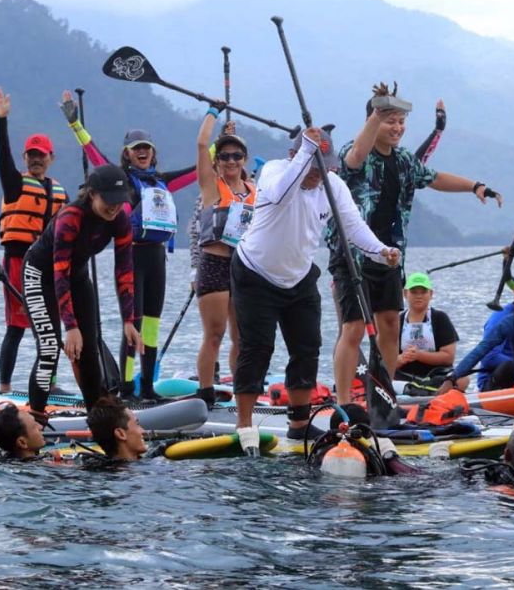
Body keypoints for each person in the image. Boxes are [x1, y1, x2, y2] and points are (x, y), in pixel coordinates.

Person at [331, 83, 502, 404]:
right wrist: (377, 113)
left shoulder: (405, 160)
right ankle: (344, 402)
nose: (397, 127)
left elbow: (435, 178)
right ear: (372, 120)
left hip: (390, 257)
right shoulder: (355, 154)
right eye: (389, 121)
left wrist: (475, 186)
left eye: (401, 121)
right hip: (353, 256)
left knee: (390, 325)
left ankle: (381, 395)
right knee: (353, 328)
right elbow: (356, 156)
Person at [231, 127, 400, 447]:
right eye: (312, 168)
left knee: (307, 348)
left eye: (323, 168)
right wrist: (307, 151)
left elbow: (354, 227)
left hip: (300, 276)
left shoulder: (332, 184)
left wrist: (381, 251)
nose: (317, 175)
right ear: (294, 156)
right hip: (255, 273)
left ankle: (299, 424)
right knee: (257, 348)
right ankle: (244, 425)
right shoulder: (274, 172)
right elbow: (281, 194)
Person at [59, 91, 196, 401]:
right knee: (132, 324)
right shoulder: (120, 179)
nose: (142, 152)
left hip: (157, 258)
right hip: (131, 256)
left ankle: (147, 386)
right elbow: (94, 154)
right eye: (136, 149)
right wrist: (75, 124)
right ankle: (127, 387)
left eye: (146, 147)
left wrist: (218, 143)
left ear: (153, 152)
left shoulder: (162, 181)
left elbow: (198, 169)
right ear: (127, 154)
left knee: (152, 325)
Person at [22, 163, 143, 418]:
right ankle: (35, 420)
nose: (114, 207)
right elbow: (59, 272)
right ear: (92, 194)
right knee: (49, 348)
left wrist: (129, 321)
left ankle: (98, 419)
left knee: (89, 350)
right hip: (40, 275)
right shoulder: (71, 217)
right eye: (109, 200)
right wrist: (71, 326)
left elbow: (124, 271)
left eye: (119, 201)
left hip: (77, 278)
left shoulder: (121, 219)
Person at [0, 87, 69, 394]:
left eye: (41, 155)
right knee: (17, 327)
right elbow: (2, 157)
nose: (36, 160)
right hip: (18, 262)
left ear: (50, 158)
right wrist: (1, 121)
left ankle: (50, 383)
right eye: (31, 155)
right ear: (25, 158)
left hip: (48, 264)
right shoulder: (14, 184)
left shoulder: (59, 191)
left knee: (49, 325)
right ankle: (5, 388)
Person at [193, 111, 256, 407]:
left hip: (242, 267)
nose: (231, 161)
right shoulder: (211, 186)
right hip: (214, 265)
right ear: (217, 161)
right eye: (225, 156)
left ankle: (242, 390)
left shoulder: (254, 189)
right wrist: (212, 113)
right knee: (215, 333)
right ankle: (205, 393)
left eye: (237, 156)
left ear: (244, 159)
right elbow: (201, 144)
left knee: (242, 337)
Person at [395, 272, 459, 386]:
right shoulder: (397, 321)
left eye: (423, 292)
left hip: (437, 376)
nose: (418, 296)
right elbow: (384, 360)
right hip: (403, 377)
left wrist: (419, 355)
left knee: (463, 379)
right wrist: (400, 359)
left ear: (431, 294)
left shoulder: (440, 318)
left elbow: (448, 357)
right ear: (405, 293)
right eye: (414, 292)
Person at [86, 395, 148, 462]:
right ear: (121, 434)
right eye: (137, 424)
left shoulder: (100, 466)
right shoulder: (149, 466)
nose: (143, 431)